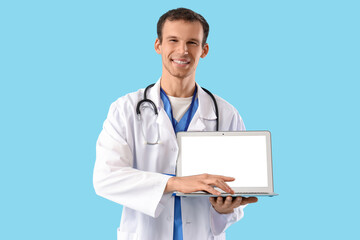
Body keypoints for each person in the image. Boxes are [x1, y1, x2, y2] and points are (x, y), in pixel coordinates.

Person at [93, 8, 258, 240]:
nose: (183, 50)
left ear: (204, 50)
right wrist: (174, 183)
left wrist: (225, 209)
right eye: (173, 40)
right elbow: (106, 177)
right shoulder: (125, 109)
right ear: (158, 45)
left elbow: (236, 186)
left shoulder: (226, 114)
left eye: (192, 42)